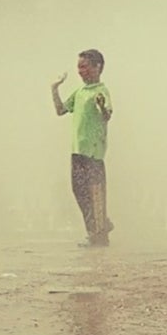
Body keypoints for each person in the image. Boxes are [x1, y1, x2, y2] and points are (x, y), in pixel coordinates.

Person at [51, 49, 113, 246]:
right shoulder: (79, 93)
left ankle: (98, 234)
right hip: (77, 151)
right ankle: (100, 227)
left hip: (94, 152)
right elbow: (61, 110)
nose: (80, 71)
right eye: (79, 67)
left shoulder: (101, 91)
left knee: (95, 193)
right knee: (79, 191)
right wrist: (54, 88)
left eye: (84, 66)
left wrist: (102, 106)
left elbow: (106, 115)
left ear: (98, 67)